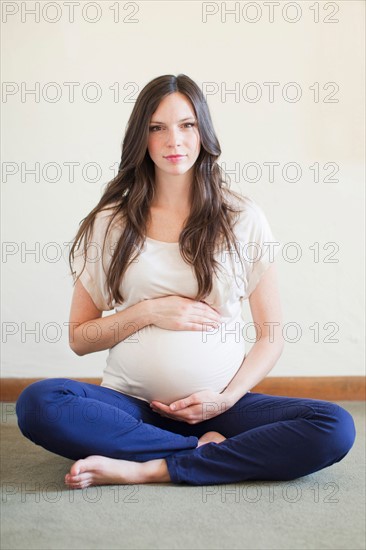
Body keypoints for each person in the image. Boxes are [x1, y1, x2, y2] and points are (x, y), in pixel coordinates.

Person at [16, 74, 356, 489]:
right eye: (156, 128)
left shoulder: (242, 218)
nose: (173, 140)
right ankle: (202, 453)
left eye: (186, 125)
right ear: (141, 138)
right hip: (132, 405)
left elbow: (271, 337)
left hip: (220, 408)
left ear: (203, 132)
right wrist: (149, 310)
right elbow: (81, 338)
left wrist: (225, 398)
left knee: (335, 425)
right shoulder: (111, 223)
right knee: (39, 403)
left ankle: (149, 466)